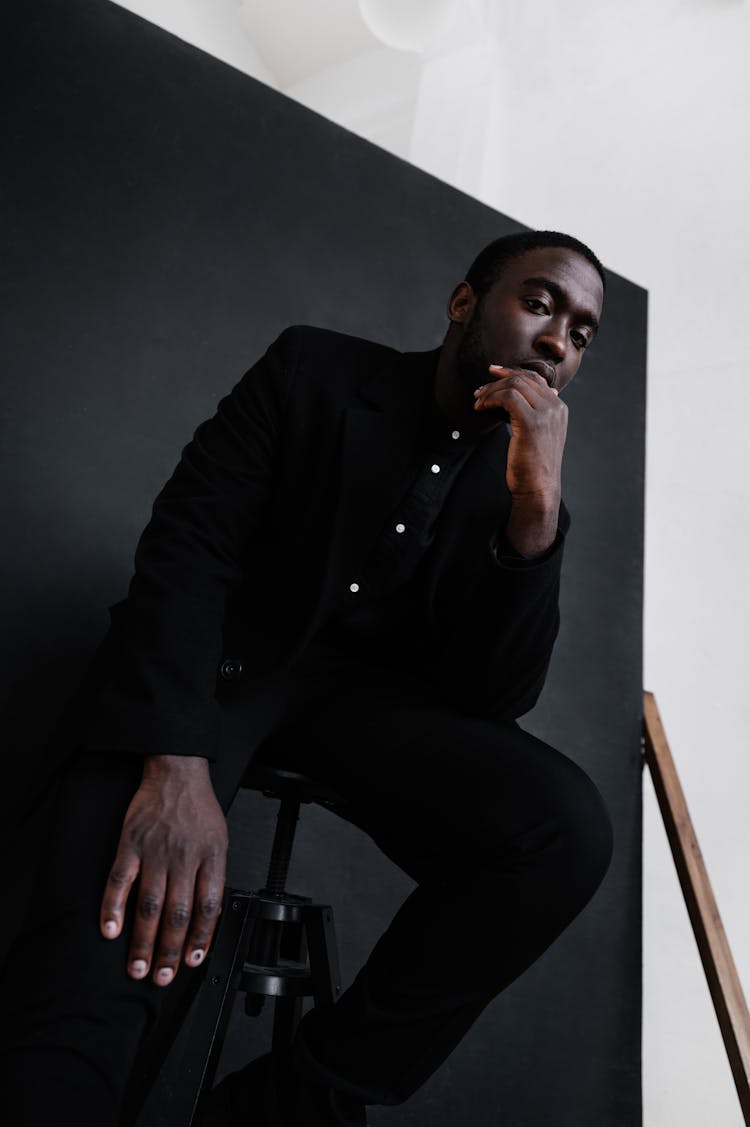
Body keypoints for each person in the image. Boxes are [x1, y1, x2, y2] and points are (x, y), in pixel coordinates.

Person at [0, 230, 613, 1126]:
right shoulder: (313, 369)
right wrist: (175, 762)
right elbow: (188, 548)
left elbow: (494, 701)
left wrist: (535, 511)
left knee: (565, 828)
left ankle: (296, 1097)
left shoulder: (526, 491)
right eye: (541, 303)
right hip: (215, 671)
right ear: (463, 304)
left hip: (364, 715)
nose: (560, 340)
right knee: (105, 964)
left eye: (584, 332)